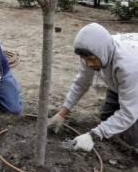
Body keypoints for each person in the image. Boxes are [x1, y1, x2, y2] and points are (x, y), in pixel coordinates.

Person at [48, 23, 138, 152]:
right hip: (120, 83)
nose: (88, 64)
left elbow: (128, 114)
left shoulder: (129, 67)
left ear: (102, 53)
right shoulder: (91, 53)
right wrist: (62, 113)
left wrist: (93, 135)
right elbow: (81, 83)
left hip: (135, 79)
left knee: (131, 137)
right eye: (85, 59)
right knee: (107, 119)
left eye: (91, 59)